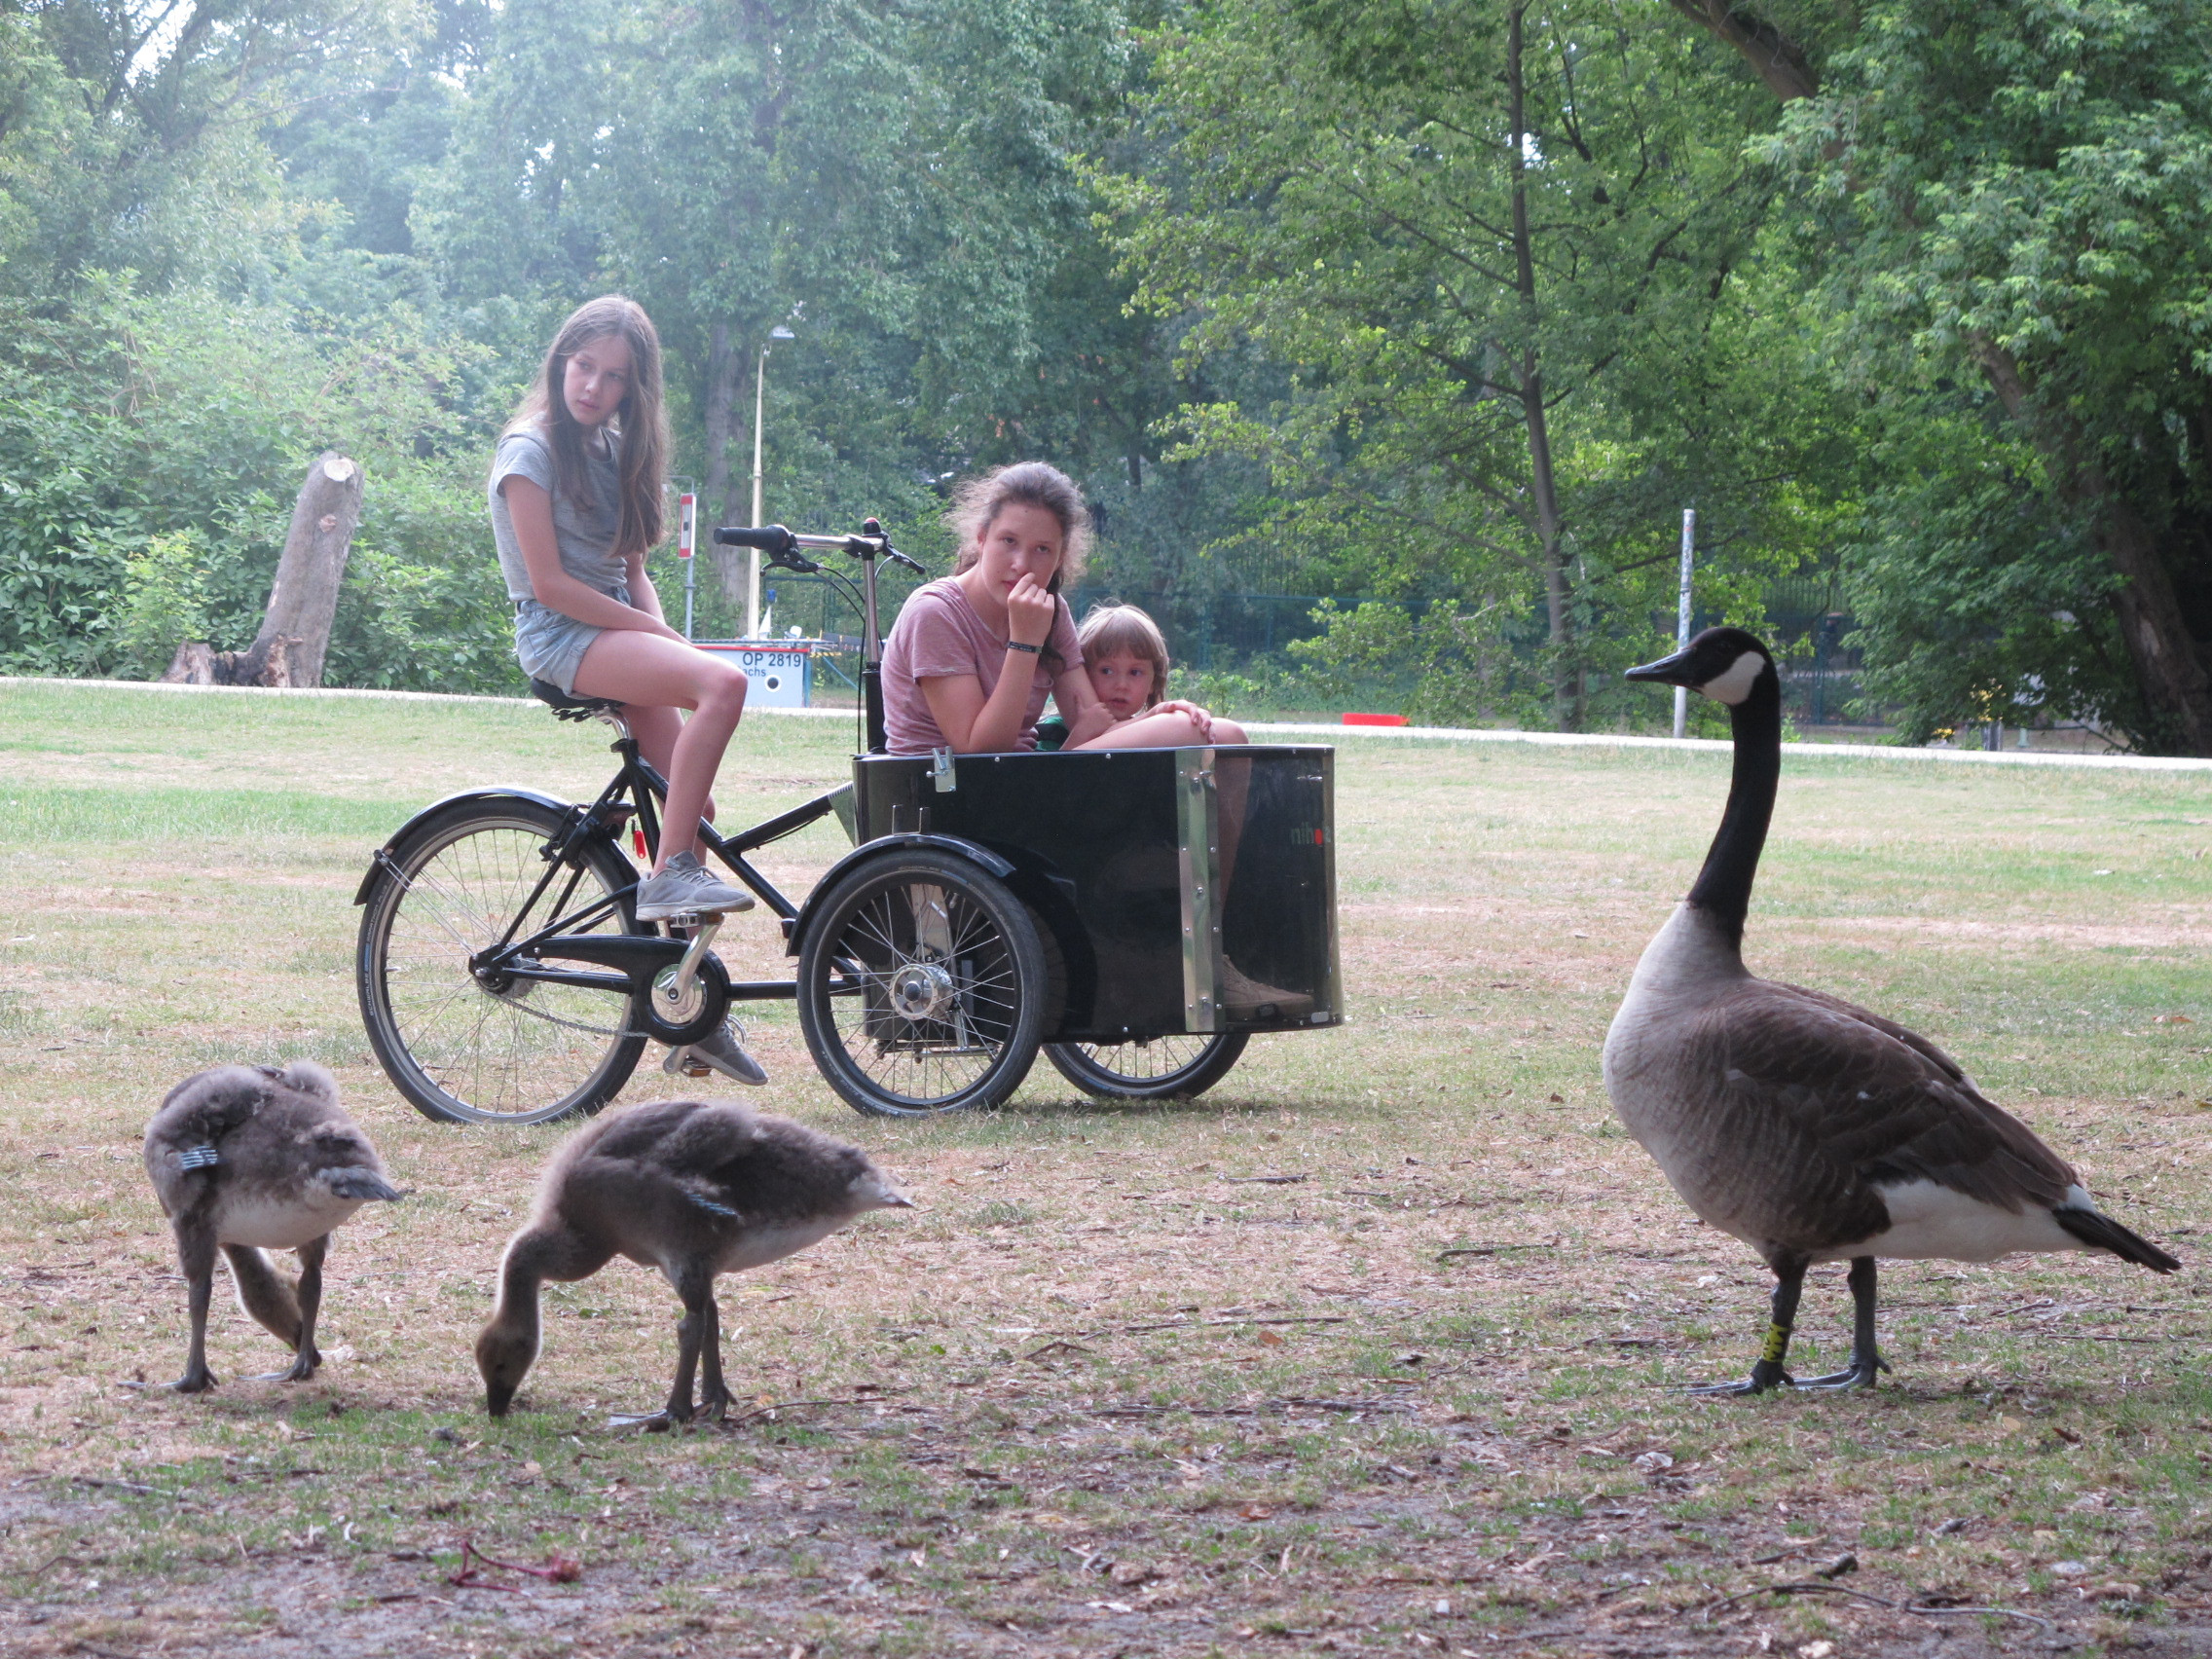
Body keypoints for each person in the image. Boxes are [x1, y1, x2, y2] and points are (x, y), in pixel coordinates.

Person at [489, 294, 764, 1086]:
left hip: (609, 630)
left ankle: (684, 1007)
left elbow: (634, 573)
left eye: (613, 378)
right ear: (560, 360)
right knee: (726, 684)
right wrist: (674, 652)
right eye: (583, 368)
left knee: (695, 802)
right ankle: (669, 869)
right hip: (560, 637)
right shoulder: (528, 451)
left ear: (632, 391)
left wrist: (666, 644)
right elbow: (551, 585)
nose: (592, 388)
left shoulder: (612, 447)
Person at [880, 462, 1245, 756]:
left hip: (1016, 779)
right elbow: (978, 748)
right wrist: (1024, 643)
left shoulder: (1051, 610)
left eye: (1042, 549)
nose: (1022, 564)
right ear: (981, 537)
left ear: (1060, 558)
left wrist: (1152, 717)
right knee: (1183, 730)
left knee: (1228, 735)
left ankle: (1223, 854)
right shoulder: (935, 612)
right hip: (948, 793)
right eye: (1009, 541)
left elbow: (1092, 723)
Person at [1034, 601, 1216, 750]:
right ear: (1084, 674)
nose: (1121, 685)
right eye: (1107, 671)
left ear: (1154, 681)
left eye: (1135, 672)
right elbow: (1045, 786)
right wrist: (1080, 735)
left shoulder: (1153, 736)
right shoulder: (1053, 731)